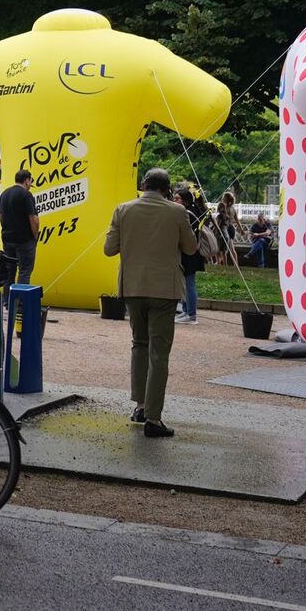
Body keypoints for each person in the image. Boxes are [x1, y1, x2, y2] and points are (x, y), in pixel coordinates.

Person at [104, 168, 197, 438]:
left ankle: (140, 406)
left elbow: (109, 249)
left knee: (139, 344)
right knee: (159, 353)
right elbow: (190, 248)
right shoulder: (177, 212)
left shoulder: (123, 210)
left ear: (143, 185)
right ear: (167, 189)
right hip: (164, 290)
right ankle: (154, 419)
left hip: (133, 287)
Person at [0, 169, 41, 282]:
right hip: (24, 240)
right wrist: (35, 236)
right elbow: (33, 218)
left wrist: (7, 227)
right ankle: (20, 299)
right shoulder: (26, 195)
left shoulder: (4, 194)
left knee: (9, 272)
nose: (31, 184)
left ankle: (7, 299)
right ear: (26, 180)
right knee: (24, 271)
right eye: (31, 181)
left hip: (7, 239)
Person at [173, 186, 206, 324]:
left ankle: (191, 315)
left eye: (177, 198)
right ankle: (186, 311)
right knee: (186, 283)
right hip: (190, 253)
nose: (174, 200)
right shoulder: (191, 211)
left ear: (185, 201)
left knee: (189, 283)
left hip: (190, 253)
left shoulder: (188, 213)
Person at [216, 190, 244, 265]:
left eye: (223, 198)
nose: (222, 199)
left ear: (227, 199)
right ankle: (235, 264)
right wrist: (241, 229)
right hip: (232, 228)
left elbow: (223, 218)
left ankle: (221, 262)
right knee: (231, 248)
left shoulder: (225, 208)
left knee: (223, 247)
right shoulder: (233, 208)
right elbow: (237, 220)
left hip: (226, 228)